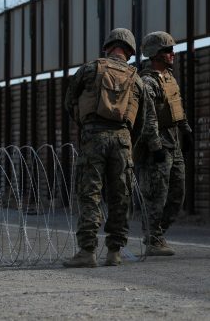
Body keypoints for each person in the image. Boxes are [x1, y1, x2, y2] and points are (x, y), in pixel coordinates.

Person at [63, 28, 160, 268]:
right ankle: (114, 252)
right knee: (120, 196)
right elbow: (144, 119)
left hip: (93, 136)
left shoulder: (89, 69)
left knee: (90, 194)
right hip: (123, 140)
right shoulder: (136, 78)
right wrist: (128, 141)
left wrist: (86, 124)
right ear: (129, 51)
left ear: (107, 46)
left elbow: (69, 101)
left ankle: (87, 251)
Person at [136, 31, 193, 256]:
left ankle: (157, 233)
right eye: (167, 50)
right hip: (157, 146)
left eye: (171, 49)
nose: (172, 54)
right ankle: (153, 239)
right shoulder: (147, 81)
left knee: (177, 193)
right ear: (155, 54)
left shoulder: (169, 77)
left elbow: (176, 105)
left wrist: (185, 130)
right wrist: (155, 146)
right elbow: (148, 117)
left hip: (173, 143)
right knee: (155, 194)